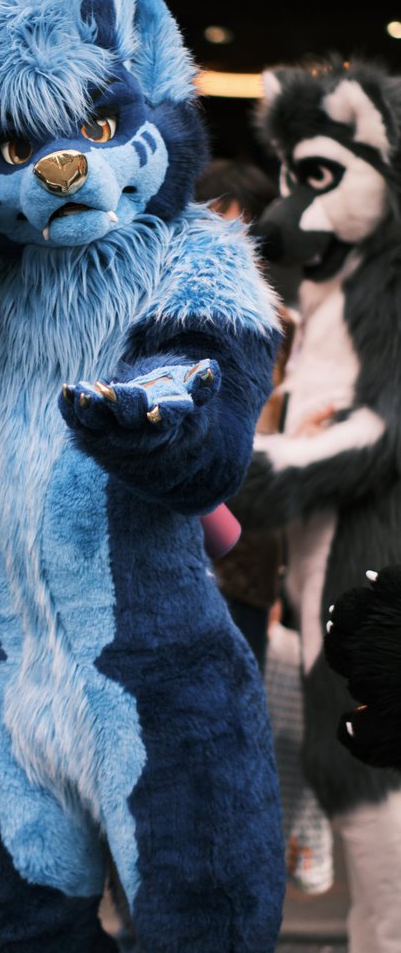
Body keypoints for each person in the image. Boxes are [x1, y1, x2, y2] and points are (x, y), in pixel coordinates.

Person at [194, 157, 294, 671]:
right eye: (215, 221)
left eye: (242, 226)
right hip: (178, 524)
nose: (228, 240)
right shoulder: (165, 306)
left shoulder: (286, 322)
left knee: (240, 677)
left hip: (248, 535)